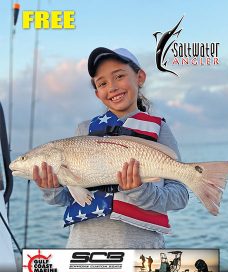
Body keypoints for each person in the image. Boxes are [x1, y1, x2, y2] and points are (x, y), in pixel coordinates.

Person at [33, 47, 189, 248]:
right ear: (97, 93)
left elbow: (180, 196)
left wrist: (141, 190)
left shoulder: (158, 128)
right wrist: (51, 188)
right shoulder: (83, 130)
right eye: (103, 83)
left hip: (140, 253)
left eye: (119, 76)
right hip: (82, 249)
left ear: (140, 77)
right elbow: (67, 198)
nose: (112, 87)